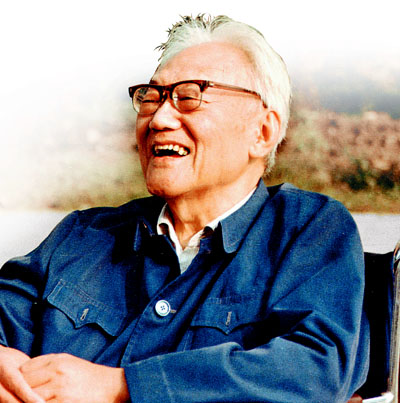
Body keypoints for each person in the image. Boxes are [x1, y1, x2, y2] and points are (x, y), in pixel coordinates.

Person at [0, 14, 368, 403]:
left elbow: (315, 369)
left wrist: (121, 387)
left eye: (189, 97)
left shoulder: (308, 231)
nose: (159, 119)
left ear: (262, 132)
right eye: (151, 97)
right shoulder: (82, 236)